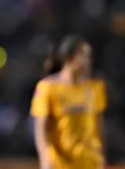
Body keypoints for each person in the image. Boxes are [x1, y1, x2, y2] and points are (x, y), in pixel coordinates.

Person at [30, 35, 106, 169]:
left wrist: (100, 156)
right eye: (83, 55)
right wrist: (45, 157)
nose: (87, 61)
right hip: (60, 163)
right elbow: (41, 128)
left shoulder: (95, 88)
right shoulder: (48, 88)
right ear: (68, 57)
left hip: (89, 162)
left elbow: (98, 127)